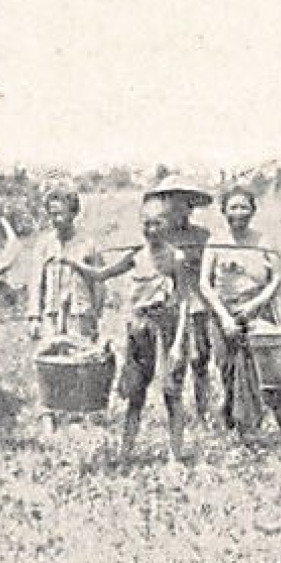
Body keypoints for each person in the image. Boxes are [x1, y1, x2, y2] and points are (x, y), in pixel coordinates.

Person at [61, 194, 191, 461]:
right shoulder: (136, 257)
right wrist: (74, 263)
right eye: (147, 224)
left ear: (168, 224)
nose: (152, 230)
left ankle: (175, 456)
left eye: (158, 223)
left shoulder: (175, 257)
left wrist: (178, 343)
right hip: (139, 328)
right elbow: (102, 274)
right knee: (135, 392)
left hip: (167, 327)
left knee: (171, 392)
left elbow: (186, 301)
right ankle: (125, 452)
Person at [199, 184, 281, 435]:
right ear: (224, 211)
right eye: (233, 207)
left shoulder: (264, 241)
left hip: (259, 311)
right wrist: (223, 316)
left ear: (253, 210)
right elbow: (204, 285)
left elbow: (277, 278)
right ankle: (239, 428)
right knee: (228, 373)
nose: (238, 212)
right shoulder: (215, 242)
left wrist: (255, 305)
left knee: (272, 373)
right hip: (223, 314)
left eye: (244, 207)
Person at [144, 175, 215, 423]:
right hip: (171, 306)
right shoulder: (159, 234)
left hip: (198, 302)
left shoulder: (203, 236)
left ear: (191, 207)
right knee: (173, 361)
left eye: (183, 203)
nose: (178, 209)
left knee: (200, 359)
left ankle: (203, 412)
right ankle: (175, 413)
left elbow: (210, 270)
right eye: (172, 203)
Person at [26, 183, 104, 344]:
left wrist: (96, 314)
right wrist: (34, 317)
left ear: (73, 213)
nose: (56, 219)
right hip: (52, 316)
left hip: (80, 315)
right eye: (52, 214)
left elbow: (99, 283)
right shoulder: (44, 245)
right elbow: (36, 283)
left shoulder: (88, 244)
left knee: (80, 358)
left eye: (60, 214)